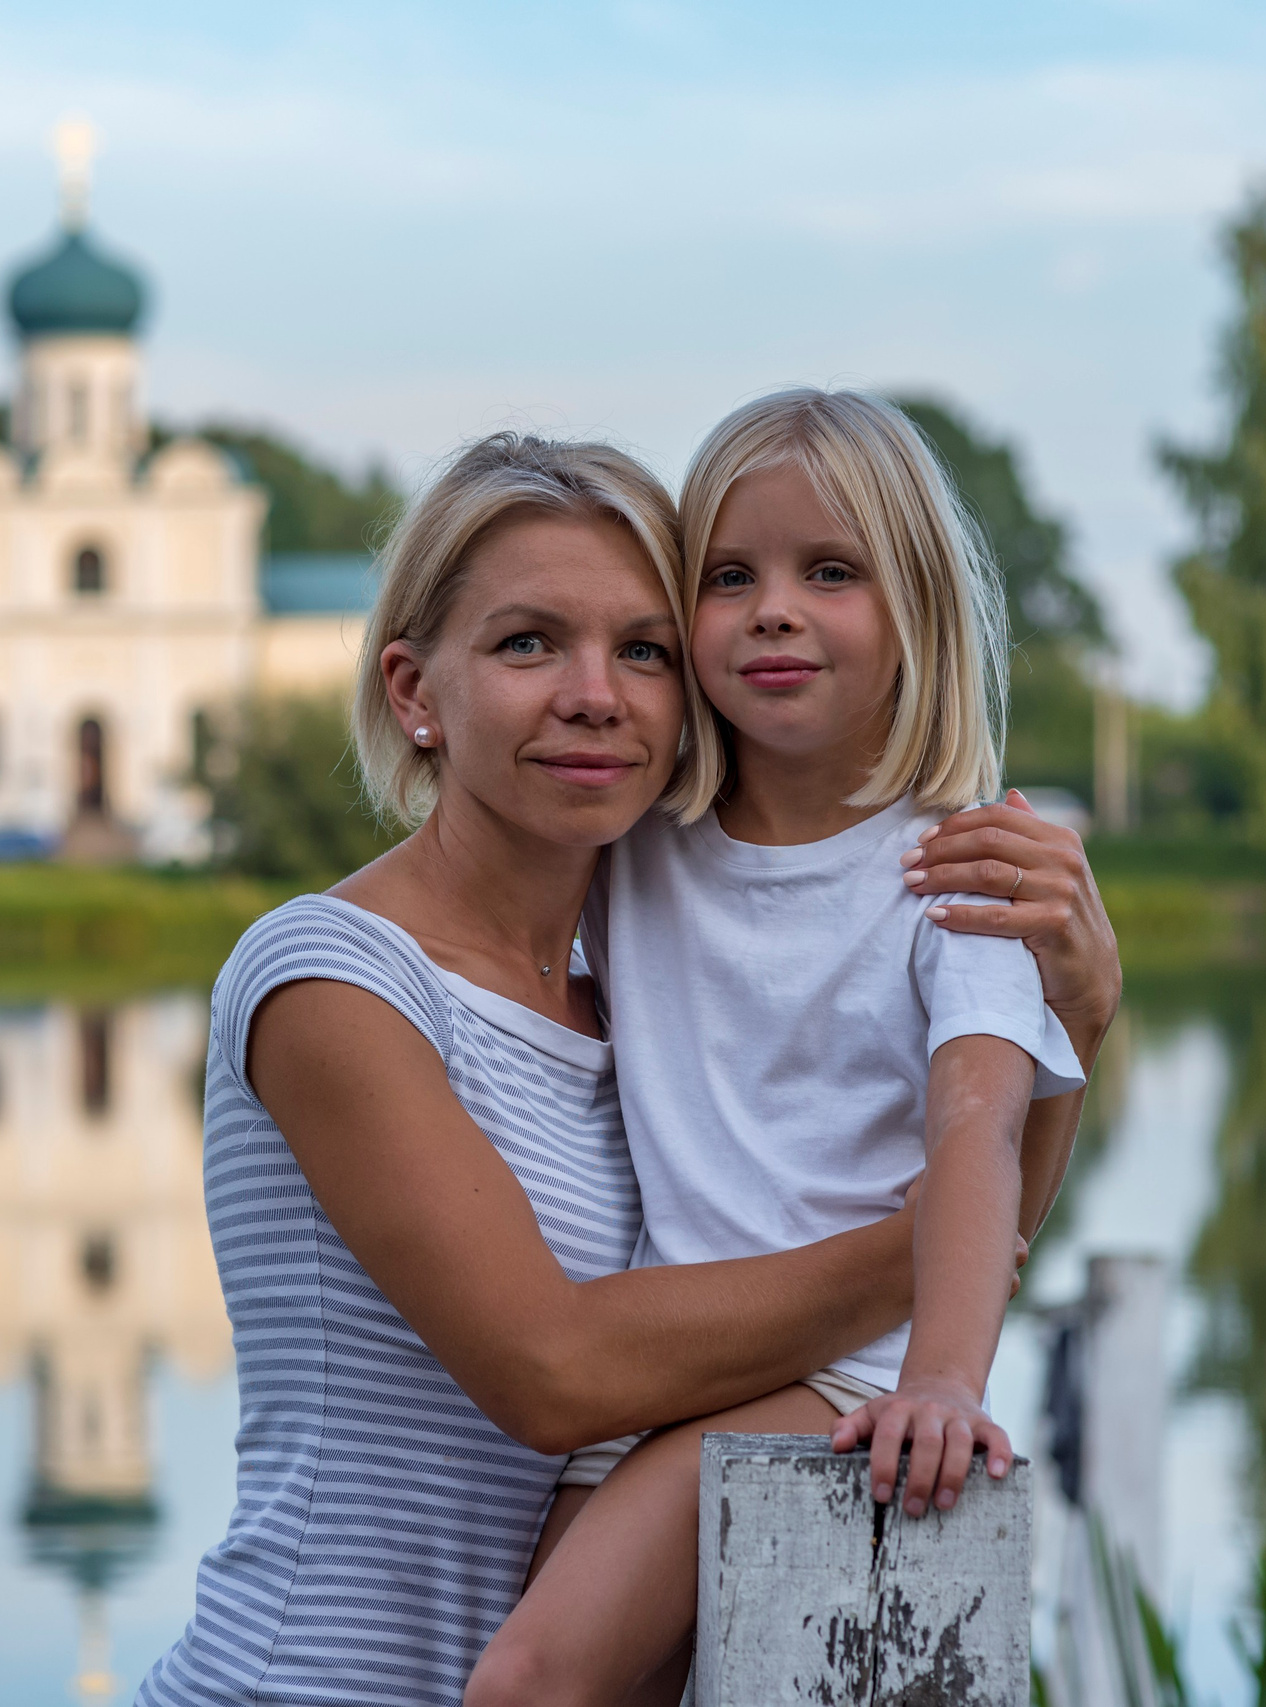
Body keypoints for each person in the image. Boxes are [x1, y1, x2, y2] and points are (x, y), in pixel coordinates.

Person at [133, 431, 1119, 1707]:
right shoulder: (333, 978)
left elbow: (956, 1201)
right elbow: (554, 1372)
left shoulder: (648, 1002)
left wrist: (1073, 1029)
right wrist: (922, 1253)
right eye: (526, 642)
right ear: (412, 690)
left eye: (642, 650)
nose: (595, 693)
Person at [467, 389, 1105, 1707]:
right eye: (731, 574)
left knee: (526, 1682)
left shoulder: (955, 869)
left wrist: (943, 1375)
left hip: (838, 1381)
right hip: (667, 1366)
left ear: (917, 607)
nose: (773, 608)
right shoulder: (642, 846)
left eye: (832, 572)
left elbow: (977, 1126)